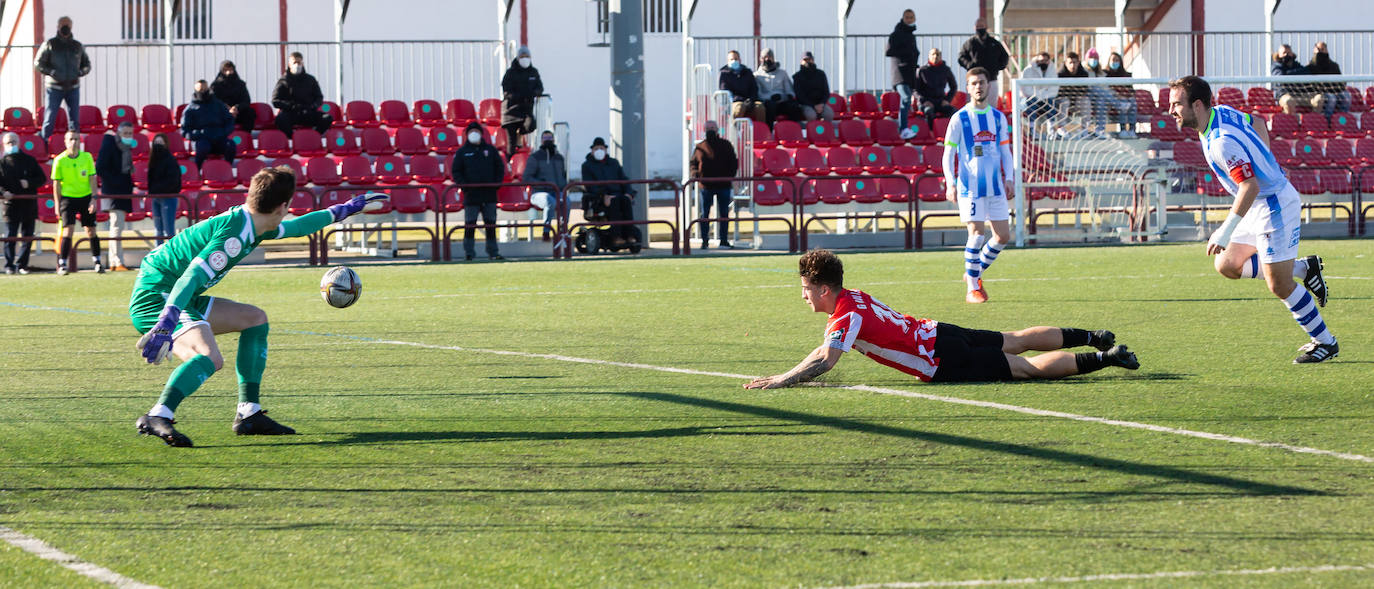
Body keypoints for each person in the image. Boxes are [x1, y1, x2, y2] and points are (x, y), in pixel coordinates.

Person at [131, 168, 389, 447]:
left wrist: (345, 210)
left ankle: (248, 413)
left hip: (177, 292)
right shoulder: (234, 237)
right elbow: (190, 278)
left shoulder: (252, 222)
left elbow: (298, 227)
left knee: (255, 319)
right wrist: (166, 323)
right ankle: (158, 414)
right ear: (283, 206)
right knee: (210, 357)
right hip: (159, 296)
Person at [742, 249, 1138, 389]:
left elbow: (826, 361)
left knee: (1023, 368)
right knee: (1014, 338)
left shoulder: (844, 317)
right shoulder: (853, 298)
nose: (803, 295)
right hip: (937, 331)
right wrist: (787, 372)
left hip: (938, 360)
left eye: (806, 288)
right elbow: (824, 348)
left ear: (824, 289)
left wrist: (782, 380)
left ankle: (1107, 357)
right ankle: (1093, 335)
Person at [1167, 75, 1336, 363]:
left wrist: (1224, 230)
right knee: (1227, 264)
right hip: (1257, 203)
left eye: (1176, 104)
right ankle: (1303, 268)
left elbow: (1250, 186)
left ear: (1196, 105)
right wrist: (1264, 159)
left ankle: (1325, 342)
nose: (1171, 111)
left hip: (1273, 205)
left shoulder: (1221, 143)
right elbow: (1258, 123)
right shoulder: (1219, 113)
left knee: (1278, 285)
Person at [943, 67, 1014, 304]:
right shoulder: (959, 118)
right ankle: (973, 289)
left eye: (982, 82)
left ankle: (973, 272)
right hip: (969, 187)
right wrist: (950, 183)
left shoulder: (998, 117)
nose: (978, 87)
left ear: (989, 85)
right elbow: (948, 154)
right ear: (968, 87)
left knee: (1002, 236)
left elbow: (1005, 150)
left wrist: (1010, 178)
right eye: (973, 83)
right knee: (976, 234)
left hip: (995, 188)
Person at [451, 122, 506, 261]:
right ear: (467, 135)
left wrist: (496, 184)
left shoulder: (490, 150)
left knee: (490, 225)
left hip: (489, 194)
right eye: (471, 131)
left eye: (476, 131)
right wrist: (464, 186)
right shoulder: (462, 152)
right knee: (470, 225)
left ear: (481, 134)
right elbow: (456, 171)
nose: (474, 134)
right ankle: (469, 252)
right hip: (471, 194)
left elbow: (500, 168)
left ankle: (493, 252)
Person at [51, 130, 101, 275]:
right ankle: (62, 264)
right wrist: (57, 204)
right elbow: (56, 184)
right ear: (65, 142)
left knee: (90, 230)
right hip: (68, 198)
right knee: (68, 230)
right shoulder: (59, 160)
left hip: (85, 197)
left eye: (77, 139)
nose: (74, 142)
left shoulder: (87, 157)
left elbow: (92, 178)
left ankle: (97, 262)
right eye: (71, 139)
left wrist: (93, 198)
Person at [33, 16, 90, 139]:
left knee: (74, 120)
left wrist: (80, 72)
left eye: (68, 25)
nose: (65, 27)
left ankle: (74, 147)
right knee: (49, 118)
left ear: (71, 26)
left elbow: (87, 64)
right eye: (63, 25)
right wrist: (51, 72)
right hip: (54, 87)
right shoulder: (49, 44)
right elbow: (38, 63)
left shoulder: (77, 46)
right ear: (58, 26)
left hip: (73, 87)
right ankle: (44, 144)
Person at [580, 137, 638, 249]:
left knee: (625, 201)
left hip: (618, 194)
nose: (599, 151)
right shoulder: (587, 165)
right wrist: (603, 196)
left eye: (601, 148)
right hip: (600, 198)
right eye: (596, 149)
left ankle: (630, 235)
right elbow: (589, 185)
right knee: (614, 202)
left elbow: (624, 179)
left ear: (606, 150)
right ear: (592, 151)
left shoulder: (614, 163)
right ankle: (616, 237)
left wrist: (628, 193)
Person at [1, 132, 46, 274]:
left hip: (28, 204)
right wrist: (3, 193)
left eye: (14, 141)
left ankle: (22, 264)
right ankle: (9, 265)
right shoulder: (1, 163)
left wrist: (29, 183)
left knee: (27, 236)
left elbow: (42, 179)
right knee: (10, 236)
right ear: (3, 144)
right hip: (10, 205)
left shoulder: (29, 160)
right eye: (8, 142)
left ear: (19, 142)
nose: (11, 145)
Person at [690, 119, 738, 249]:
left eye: (713, 127)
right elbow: (693, 164)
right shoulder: (700, 147)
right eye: (708, 128)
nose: (710, 130)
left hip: (723, 185)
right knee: (704, 214)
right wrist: (696, 176)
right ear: (704, 130)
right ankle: (704, 240)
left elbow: (733, 162)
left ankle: (724, 240)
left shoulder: (726, 145)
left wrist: (729, 177)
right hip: (705, 186)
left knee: (724, 214)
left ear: (717, 130)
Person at [96, 122, 137, 271]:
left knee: (117, 226)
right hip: (114, 192)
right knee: (116, 227)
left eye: (130, 133)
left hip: (123, 191)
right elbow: (100, 168)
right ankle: (116, 261)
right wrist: (117, 181)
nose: (128, 136)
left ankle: (115, 261)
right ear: (118, 133)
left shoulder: (126, 149)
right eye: (125, 133)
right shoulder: (110, 145)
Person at [271, 52, 331, 138]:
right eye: (294, 63)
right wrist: (291, 106)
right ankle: (293, 139)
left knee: (327, 118)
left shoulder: (310, 79)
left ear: (302, 63)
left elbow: (319, 97)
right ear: (289, 64)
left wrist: (313, 106)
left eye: (299, 63)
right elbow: (275, 100)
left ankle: (314, 137)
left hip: (308, 111)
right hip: (291, 112)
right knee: (280, 120)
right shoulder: (283, 81)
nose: (297, 65)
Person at [521, 130, 566, 241]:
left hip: (556, 192)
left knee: (567, 201)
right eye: (545, 138)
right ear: (541, 141)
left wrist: (562, 186)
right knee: (548, 200)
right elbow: (526, 178)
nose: (548, 141)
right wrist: (542, 184)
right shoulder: (535, 157)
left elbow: (562, 176)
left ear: (554, 140)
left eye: (550, 138)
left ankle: (563, 230)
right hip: (538, 193)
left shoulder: (559, 158)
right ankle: (546, 231)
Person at [1083, 49, 1137, 139]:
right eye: (1091, 58)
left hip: (1103, 98)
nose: (1093, 60)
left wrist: (1117, 94)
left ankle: (1100, 130)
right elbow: (1090, 87)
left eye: (1095, 58)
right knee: (1096, 88)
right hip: (1088, 97)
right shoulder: (1084, 71)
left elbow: (1106, 89)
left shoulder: (1101, 73)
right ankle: (1119, 107)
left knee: (1102, 101)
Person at [182, 79, 237, 167]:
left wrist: (222, 132)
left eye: (205, 89)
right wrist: (198, 134)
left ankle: (227, 169)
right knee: (203, 148)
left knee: (230, 145)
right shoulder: (190, 109)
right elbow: (185, 131)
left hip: (219, 138)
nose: (203, 92)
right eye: (200, 90)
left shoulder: (218, 105)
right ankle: (197, 171)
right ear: (196, 91)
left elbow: (229, 120)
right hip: (202, 140)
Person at [501, 45, 544, 158]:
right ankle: (510, 165)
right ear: (518, 58)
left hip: (526, 110)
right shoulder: (510, 73)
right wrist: (521, 96)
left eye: (527, 56)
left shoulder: (533, 72)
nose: (525, 59)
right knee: (512, 145)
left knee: (531, 125)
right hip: (510, 111)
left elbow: (539, 87)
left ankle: (520, 134)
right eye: (522, 56)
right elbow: (507, 92)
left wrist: (535, 93)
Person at [956, 18, 1010, 101]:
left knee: (991, 107)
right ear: (974, 28)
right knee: (973, 107)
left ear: (986, 27)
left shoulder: (994, 43)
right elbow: (961, 57)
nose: (980, 28)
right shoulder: (970, 43)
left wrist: (996, 67)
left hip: (991, 80)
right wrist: (970, 65)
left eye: (981, 26)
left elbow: (1005, 57)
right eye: (978, 27)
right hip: (974, 79)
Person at [886, 9, 920, 139]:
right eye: (907, 17)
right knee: (906, 98)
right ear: (903, 18)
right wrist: (906, 56)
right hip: (899, 73)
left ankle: (904, 128)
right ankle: (903, 128)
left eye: (911, 17)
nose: (909, 19)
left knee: (906, 100)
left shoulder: (911, 35)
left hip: (909, 74)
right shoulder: (897, 33)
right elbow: (889, 51)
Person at [147, 133, 183, 245]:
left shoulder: (171, 160)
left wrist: (157, 189)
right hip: (155, 198)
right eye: (156, 143)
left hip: (168, 198)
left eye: (161, 143)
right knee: (158, 229)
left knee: (169, 230)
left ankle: (173, 256)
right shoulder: (153, 161)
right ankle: (159, 256)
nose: (158, 146)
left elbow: (174, 181)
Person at [1019, 51, 1064, 139]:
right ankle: (1032, 130)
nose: (1043, 63)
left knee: (1052, 102)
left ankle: (1051, 130)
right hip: (1029, 99)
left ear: (1049, 61)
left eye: (1046, 60)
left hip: (1046, 99)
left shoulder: (1052, 71)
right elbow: (1026, 90)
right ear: (1037, 60)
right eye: (1041, 60)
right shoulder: (1028, 70)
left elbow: (1054, 90)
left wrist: (1042, 96)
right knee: (1031, 101)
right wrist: (1039, 95)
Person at [754, 48, 802, 128]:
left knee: (794, 107)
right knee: (770, 107)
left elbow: (789, 90)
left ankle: (793, 131)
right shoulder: (756, 76)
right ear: (761, 59)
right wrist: (770, 97)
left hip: (782, 101)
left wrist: (786, 96)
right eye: (764, 57)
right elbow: (759, 94)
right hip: (768, 103)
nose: (767, 59)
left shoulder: (782, 73)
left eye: (769, 57)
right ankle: (769, 132)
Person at [1306, 42, 1350, 120]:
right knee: (1332, 98)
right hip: (1320, 93)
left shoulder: (1334, 65)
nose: (1321, 52)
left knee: (1346, 96)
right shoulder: (1310, 66)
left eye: (1323, 49)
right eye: (1318, 49)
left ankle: (1342, 120)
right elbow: (1311, 85)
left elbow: (1340, 82)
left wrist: (1336, 89)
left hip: (1334, 91)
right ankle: (1328, 121)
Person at [915, 47, 957, 128]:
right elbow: (915, 89)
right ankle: (931, 134)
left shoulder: (946, 70)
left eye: (937, 54)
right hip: (926, 102)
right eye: (933, 54)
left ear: (941, 56)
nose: (935, 56)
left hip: (940, 101)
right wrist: (923, 101)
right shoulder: (922, 70)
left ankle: (947, 131)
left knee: (954, 112)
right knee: (928, 111)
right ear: (929, 56)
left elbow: (953, 87)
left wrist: (947, 100)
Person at [719, 50, 764, 123]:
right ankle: (734, 130)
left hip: (749, 101)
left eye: (736, 59)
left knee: (760, 107)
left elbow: (754, 88)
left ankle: (761, 130)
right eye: (731, 59)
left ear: (740, 60)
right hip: (734, 102)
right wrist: (740, 99)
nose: (734, 61)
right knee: (739, 107)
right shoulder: (724, 74)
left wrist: (751, 99)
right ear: (727, 61)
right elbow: (725, 91)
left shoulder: (747, 72)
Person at [1102, 51, 1139, 139]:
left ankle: (1132, 130)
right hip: (1112, 101)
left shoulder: (1126, 75)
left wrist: (1129, 96)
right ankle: (1123, 129)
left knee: (1132, 102)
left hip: (1126, 98)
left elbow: (1131, 91)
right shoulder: (1105, 74)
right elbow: (1107, 90)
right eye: (1113, 60)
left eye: (1117, 60)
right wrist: (1119, 96)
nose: (1115, 62)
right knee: (1122, 102)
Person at [211, 60, 255, 132]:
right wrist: (226, 107)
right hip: (222, 112)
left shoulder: (240, 84)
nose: (228, 73)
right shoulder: (215, 85)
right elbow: (213, 101)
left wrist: (236, 108)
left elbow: (246, 100)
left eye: (230, 70)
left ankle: (244, 138)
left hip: (238, 113)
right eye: (225, 70)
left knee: (249, 112)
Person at [1056, 51, 1093, 136]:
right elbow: (1060, 93)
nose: (1072, 65)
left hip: (1076, 102)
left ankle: (1085, 129)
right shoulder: (1060, 75)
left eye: (1074, 62)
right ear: (1066, 63)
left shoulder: (1083, 74)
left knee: (1085, 101)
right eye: (1070, 63)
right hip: (1063, 103)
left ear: (1078, 63)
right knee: (1064, 101)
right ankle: (1061, 128)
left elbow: (1083, 91)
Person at [791, 51, 834, 122]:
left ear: (813, 60)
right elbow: (799, 96)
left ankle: (825, 131)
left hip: (821, 104)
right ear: (801, 61)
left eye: (809, 59)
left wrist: (822, 104)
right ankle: (812, 132)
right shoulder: (797, 77)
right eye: (805, 60)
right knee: (811, 115)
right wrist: (813, 106)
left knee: (829, 114)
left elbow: (826, 92)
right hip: (806, 105)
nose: (808, 62)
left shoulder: (821, 74)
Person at [1271, 44, 1312, 116]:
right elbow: (1281, 79)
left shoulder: (1297, 66)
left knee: (1319, 99)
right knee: (1289, 101)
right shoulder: (1276, 67)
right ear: (1279, 55)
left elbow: (1306, 74)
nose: (1286, 55)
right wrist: (1296, 77)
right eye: (1284, 53)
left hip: (1299, 95)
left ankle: (1313, 122)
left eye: (1288, 53)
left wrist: (1290, 74)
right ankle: (1292, 124)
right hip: (1283, 95)